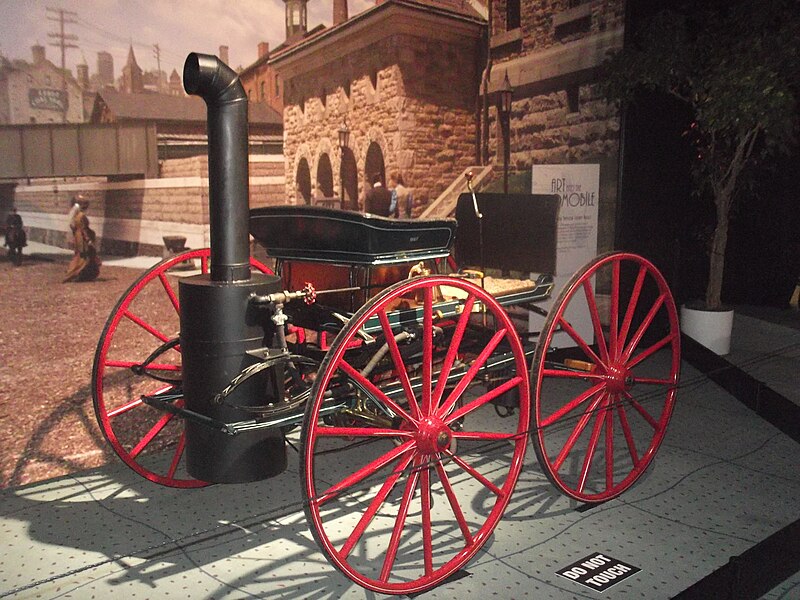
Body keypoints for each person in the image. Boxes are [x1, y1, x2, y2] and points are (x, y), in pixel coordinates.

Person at [64, 197, 101, 282]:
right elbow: (83, 229)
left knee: (82, 256)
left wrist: (76, 235)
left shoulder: (75, 216)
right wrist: (88, 240)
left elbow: (73, 227)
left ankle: (83, 274)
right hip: (83, 240)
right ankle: (73, 273)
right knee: (84, 257)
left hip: (78, 238)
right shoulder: (81, 216)